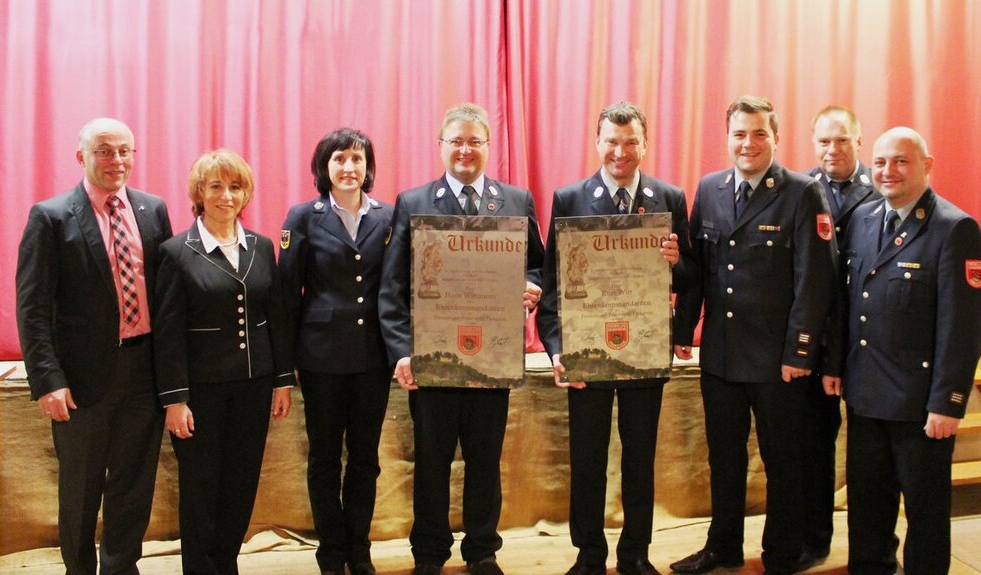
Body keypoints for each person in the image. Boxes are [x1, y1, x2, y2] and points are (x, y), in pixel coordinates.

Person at [671, 96, 836, 575]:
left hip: (776, 360)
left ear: (776, 138)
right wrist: (684, 329)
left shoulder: (803, 193)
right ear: (727, 138)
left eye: (759, 133)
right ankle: (722, 547)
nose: (749, 143)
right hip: (721, 355)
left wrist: (800, 351)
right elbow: (698, 269)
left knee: (782, 462)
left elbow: (814, 280)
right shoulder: (711, 188)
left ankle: (780, 554)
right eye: (740, 133)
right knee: (724, 459)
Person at [378, 103, 545, 575]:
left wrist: (532, 286)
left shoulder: (516, 201)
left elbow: (538, 265)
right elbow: (392, 286)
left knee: (484, 460)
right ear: (441, 147)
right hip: (434, 358)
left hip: (492, 356)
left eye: (474, 141)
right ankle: (429, 552)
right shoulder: (413, 202)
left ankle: (482, 549)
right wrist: (401, 352)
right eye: (456, 141)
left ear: (488, 146)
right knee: (431, 462)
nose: (465, 150)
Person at [536, 101, 693, 575]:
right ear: (597, 142)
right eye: (611, 141)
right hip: (587, 351)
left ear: (645, 144)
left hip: (644, 348)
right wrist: (557, 348)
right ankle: (589, 554)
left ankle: (635, 554)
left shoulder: (670, 198)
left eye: (630, 142)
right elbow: (553, 283)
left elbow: (692, 275)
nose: (620, 151)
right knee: (587, 459)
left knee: (639, 459)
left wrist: (676, 265)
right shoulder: (569, 199)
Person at [827, 127, 981, 575]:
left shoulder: (954, 229)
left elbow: (964, 327)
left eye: (901, 161)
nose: (888, 171)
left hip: (920, 405)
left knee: (926, 511)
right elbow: (847, 303)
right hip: (865, 394)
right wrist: (836, 364)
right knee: (867, 505)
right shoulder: (862, 219)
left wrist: (948, 402)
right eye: (881, 162)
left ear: (927, 165)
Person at [16, 117, 172, 575]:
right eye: (104, 151)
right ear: (81, 156)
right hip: (81, 380)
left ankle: (121, 567)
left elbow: (167, 295)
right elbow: (32, 307)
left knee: (133, 486)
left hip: (145, 371)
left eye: (124, 150)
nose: (116, 160)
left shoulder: (153, 210)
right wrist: (48, 380)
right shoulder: (51, 216)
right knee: (80, 489)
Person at [154, 149, 295, 574]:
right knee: (201, 487)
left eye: (235, 187)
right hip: (201, 393)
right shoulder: (176, 252)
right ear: (199, 192)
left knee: (240, 483)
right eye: (216, 186)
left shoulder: (262, 247)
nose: (226, 196)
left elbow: (276, 318)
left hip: (254, 387)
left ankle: (226, 563)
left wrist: (282, 380)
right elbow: (168, 333)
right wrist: (175, 399)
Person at [279, 128, 393, 575]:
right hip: (320, 358)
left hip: (372, 358)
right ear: (323, 167)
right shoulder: (303, 217)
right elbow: (287, 295)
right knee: (324, 459)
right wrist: (285, 364)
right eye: (339, 159)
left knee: (365, 460)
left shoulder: (388, 216)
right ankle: (330, 552)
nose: (349, 167)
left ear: (368, 167)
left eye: (357, 159)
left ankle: (359, 550)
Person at [798, 105, 880, 569]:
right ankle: (815, 539)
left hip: (869, 338)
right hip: (820, 338)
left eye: (842, 140)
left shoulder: (882, 188)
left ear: (859, 141)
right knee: (814, 446)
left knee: (872, 455)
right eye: (824, 141)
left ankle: (873, 549)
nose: (833, 149)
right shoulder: (800, 190)